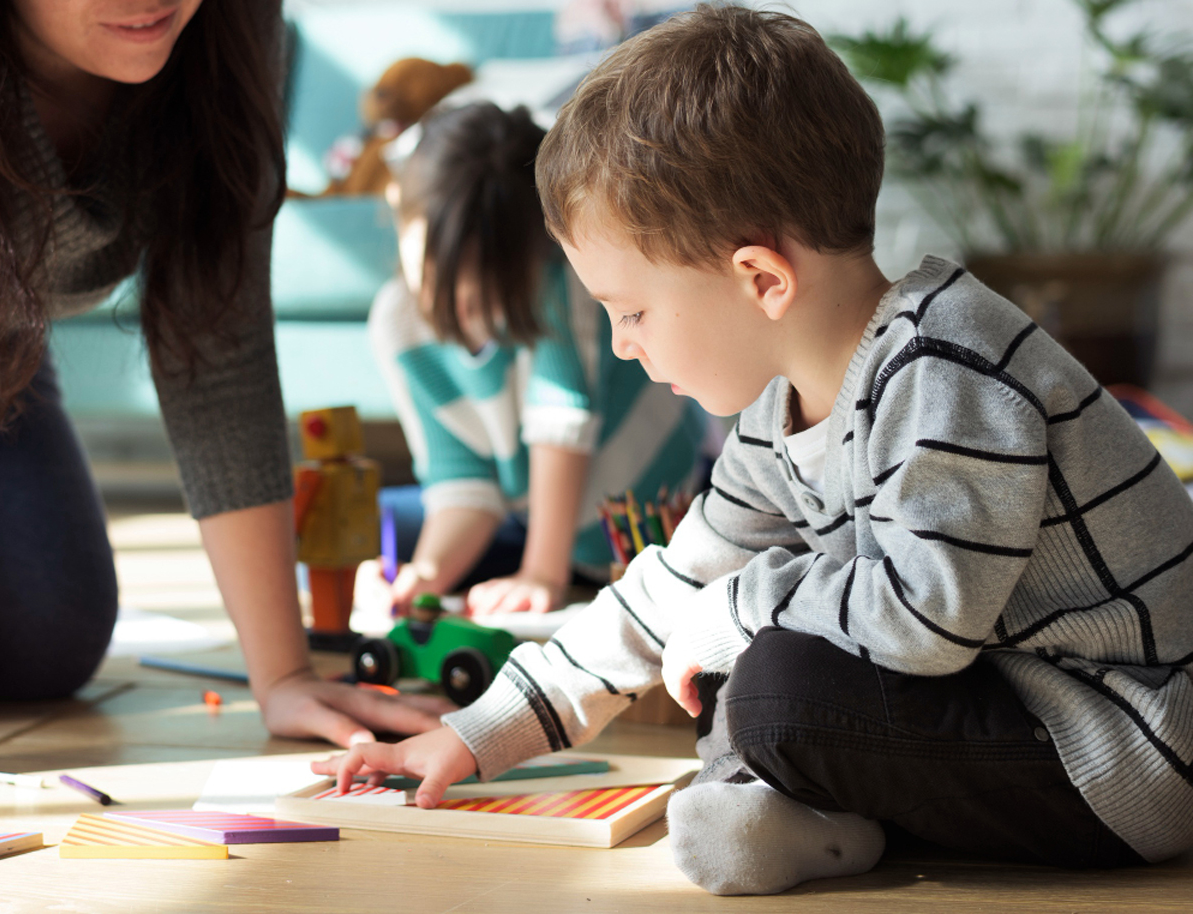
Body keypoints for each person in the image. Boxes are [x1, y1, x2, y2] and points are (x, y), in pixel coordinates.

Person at [312, 4, 1193, 894]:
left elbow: (923, 617)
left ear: (762, 279)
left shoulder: (949, 366)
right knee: (754, 658)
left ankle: (821, 813)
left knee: (771, 671)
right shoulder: (778, 416)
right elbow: (669, 587)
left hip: (1124, 747)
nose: (623, 345)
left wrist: (744, 604)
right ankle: (809, 817)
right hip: (1001, 705)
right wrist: (476, 732)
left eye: (634, 312)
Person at [0, 0, 449, 745]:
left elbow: (217, 343)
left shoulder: (234, 25)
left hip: (6, 346)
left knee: (51, 632)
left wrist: (283, 677)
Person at [367, 100, 709, 617]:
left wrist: (541, 572)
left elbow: (562, 420)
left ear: (536, 249)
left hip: (658, 522)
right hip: (543, 529)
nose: (461, 291)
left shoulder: (564, 280)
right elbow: (462, 479)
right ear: (400, 210)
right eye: (438, 262)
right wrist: (426, 576)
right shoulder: (396, 324)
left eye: (485, 275)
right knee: (376, 547)